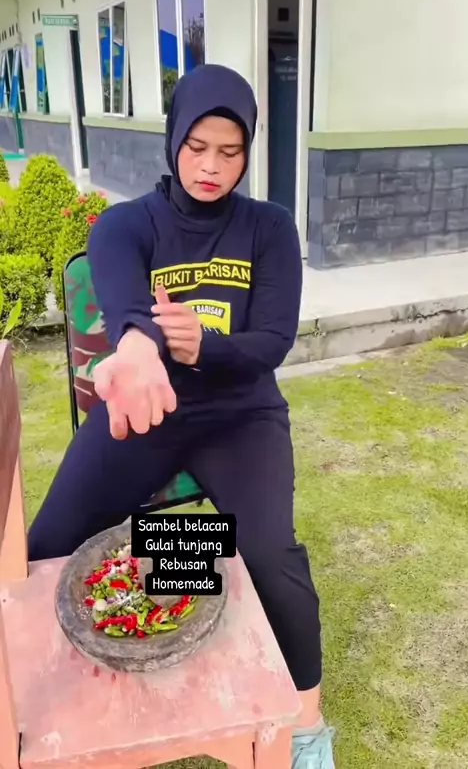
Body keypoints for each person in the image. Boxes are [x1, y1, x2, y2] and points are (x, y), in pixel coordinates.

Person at [28, 64, 335, 768]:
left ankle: (308, 728)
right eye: (197, 147)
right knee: (46, 549)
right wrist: (138, 345)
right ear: (174, 141)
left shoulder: (268, 228)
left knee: (270, 555)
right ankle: (63, 695)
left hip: (241, 415)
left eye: (230, 151)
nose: (211, 167)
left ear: (248, 151)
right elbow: (123, 297)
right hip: (149, 410)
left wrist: (207, 346)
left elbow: (272, 343)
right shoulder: (127, 225)